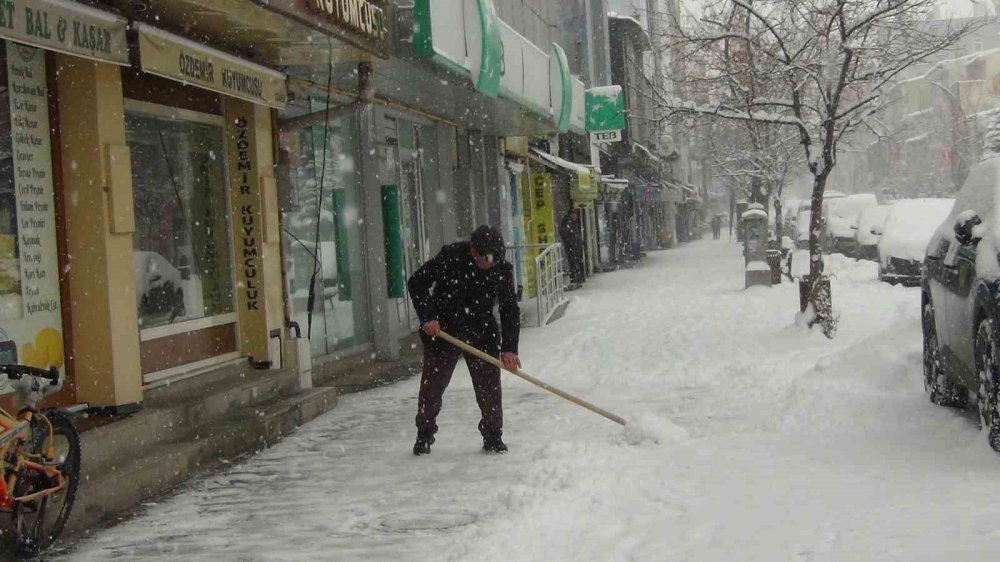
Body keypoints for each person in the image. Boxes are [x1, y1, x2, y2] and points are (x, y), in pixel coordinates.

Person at [407, 225, 521, 456]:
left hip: (481, 329)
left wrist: (509, 348)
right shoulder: (451, 258)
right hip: (444, 328)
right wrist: (428, 317)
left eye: (495, 259)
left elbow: (509, 309)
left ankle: (492, 435)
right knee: (433, 386)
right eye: (486, 258)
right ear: (473, 250)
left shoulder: (501, 268)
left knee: (489, 386)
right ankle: (424, 434)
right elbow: (416, 283)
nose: (490, 264)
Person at [559, 208, 585, 288]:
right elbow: (566, 234)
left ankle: (577, 279)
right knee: (573, 262)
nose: (575, 216)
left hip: (575, 246)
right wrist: (572, 241)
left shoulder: (573, 223)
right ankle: (575, 279)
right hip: (572, 246)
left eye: (576, 215)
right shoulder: (568, 223)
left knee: (576, 262)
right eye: (574, 214)